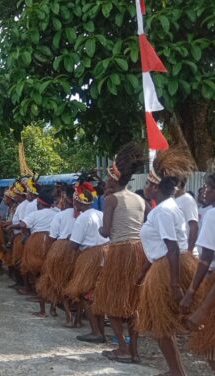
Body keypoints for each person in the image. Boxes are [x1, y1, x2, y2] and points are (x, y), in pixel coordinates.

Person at [136, 147, 198, 375]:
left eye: (147, 184)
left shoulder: (162, 211)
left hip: (169, 269)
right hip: (170, 265)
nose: (145, 187)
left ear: (154, 186)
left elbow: (171, 247)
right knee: (165, 324)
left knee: (161, 325)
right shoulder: (170, 207)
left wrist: (173, 284)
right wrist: (143, 272)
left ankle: (176, 372)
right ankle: (176, 371)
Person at [93, 143, 147, 364]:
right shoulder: (139, 199)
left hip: (119, 252)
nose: (105, 182)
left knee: (111, 301)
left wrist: (100, 228)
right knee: (133, 302)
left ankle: (122, 348)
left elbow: (105, 232)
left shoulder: (111, 199)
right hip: (138, 252)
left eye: (107, 179)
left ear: (114, 179)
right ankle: (134, 351)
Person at [65, 181, 109, 343]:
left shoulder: (83, 218)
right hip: (106, 256)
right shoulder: (101, 214)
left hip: (90, 258)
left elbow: (74, 244)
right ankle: (101, 331)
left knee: (85, 294)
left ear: (77, 202)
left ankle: (96, 332)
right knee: (98, 294)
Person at [181, 173, 215, 371]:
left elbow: (205, 259)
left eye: (210, 187)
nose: (205, 191)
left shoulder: (212, 215)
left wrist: (192, 293)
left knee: (211, 346)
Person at [7, 187, 58, 316]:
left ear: (39, 203)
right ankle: (53, 306)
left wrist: (11, 226)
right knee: (50, 273)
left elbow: (23, 225)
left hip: (37, 243)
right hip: (53, 243)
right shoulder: (57, 212)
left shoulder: (35, 214)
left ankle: (42, 310)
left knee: (36, 273)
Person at [36, 185, 78, 326]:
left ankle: (68, 316)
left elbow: (52, 237)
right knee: (73, 282)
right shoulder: (85, 214)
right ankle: (65, 313)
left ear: (65, 200)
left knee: (56, 281)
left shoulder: (59, 215)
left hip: (61, 249)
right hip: (80, 252)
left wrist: (48, 253)